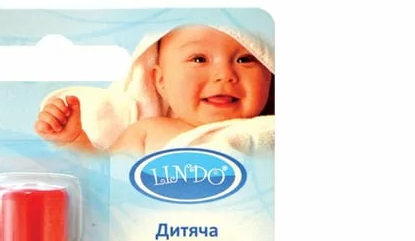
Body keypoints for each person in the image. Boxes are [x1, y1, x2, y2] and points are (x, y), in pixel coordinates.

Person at [34, 25, 274, 155]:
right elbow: (106, 183)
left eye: (245, 59)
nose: (224, 74)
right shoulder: (149, 133)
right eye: (199, 59)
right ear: (160, 80)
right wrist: (74, 141)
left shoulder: (271, 131)